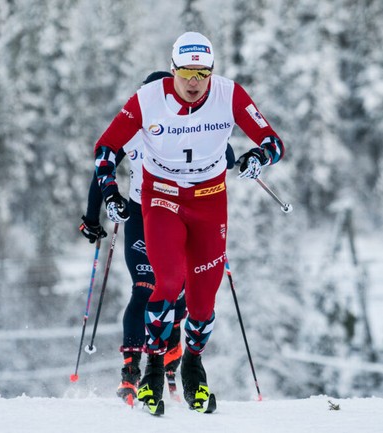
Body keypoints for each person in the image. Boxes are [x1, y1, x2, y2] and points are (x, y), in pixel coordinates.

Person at [93, 32, 284, 414]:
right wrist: (111, 193)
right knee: (166, 281)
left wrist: (256, 157)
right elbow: (105, 148)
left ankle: (194, 365)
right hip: (161, 197)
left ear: (211, 71)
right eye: (186, 73)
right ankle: (151, 369)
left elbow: (274, 143)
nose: (194, 82)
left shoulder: (229, 95)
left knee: (202, 298)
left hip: (210, 201)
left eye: (202, 73)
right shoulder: (149, 98)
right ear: (173, 69)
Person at [80, 71, 187, 404]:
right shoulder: (130, 131)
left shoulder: (183, 125)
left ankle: (171, 351)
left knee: (177, 294)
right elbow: (103, 169)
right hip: (141, 217)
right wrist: (93, 216)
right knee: (144, 289)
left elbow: (214, 156)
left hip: (179, 217)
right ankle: (131, 370)